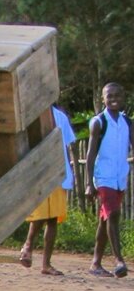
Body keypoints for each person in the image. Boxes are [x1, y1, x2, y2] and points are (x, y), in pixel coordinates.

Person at [18, 106, 78, 276]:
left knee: (52, 219)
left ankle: (46, 264)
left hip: (58, 171)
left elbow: (66, 146)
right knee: (40, 215)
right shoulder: (30, 115)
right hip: (39, 172)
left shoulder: (61, 117)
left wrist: (68, 171)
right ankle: (27, 246)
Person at [86, 82, 133, 278]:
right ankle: (119, 260)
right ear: (102, 99)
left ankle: (96, 263)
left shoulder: (128, 123)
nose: (114, 99)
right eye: (110, 96)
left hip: (119, 177)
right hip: (103, 177)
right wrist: (89, 183)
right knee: (113, 214)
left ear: (124, 98)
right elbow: (90, 154)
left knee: (105, 219)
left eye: (118, 95)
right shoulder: (98, 122)